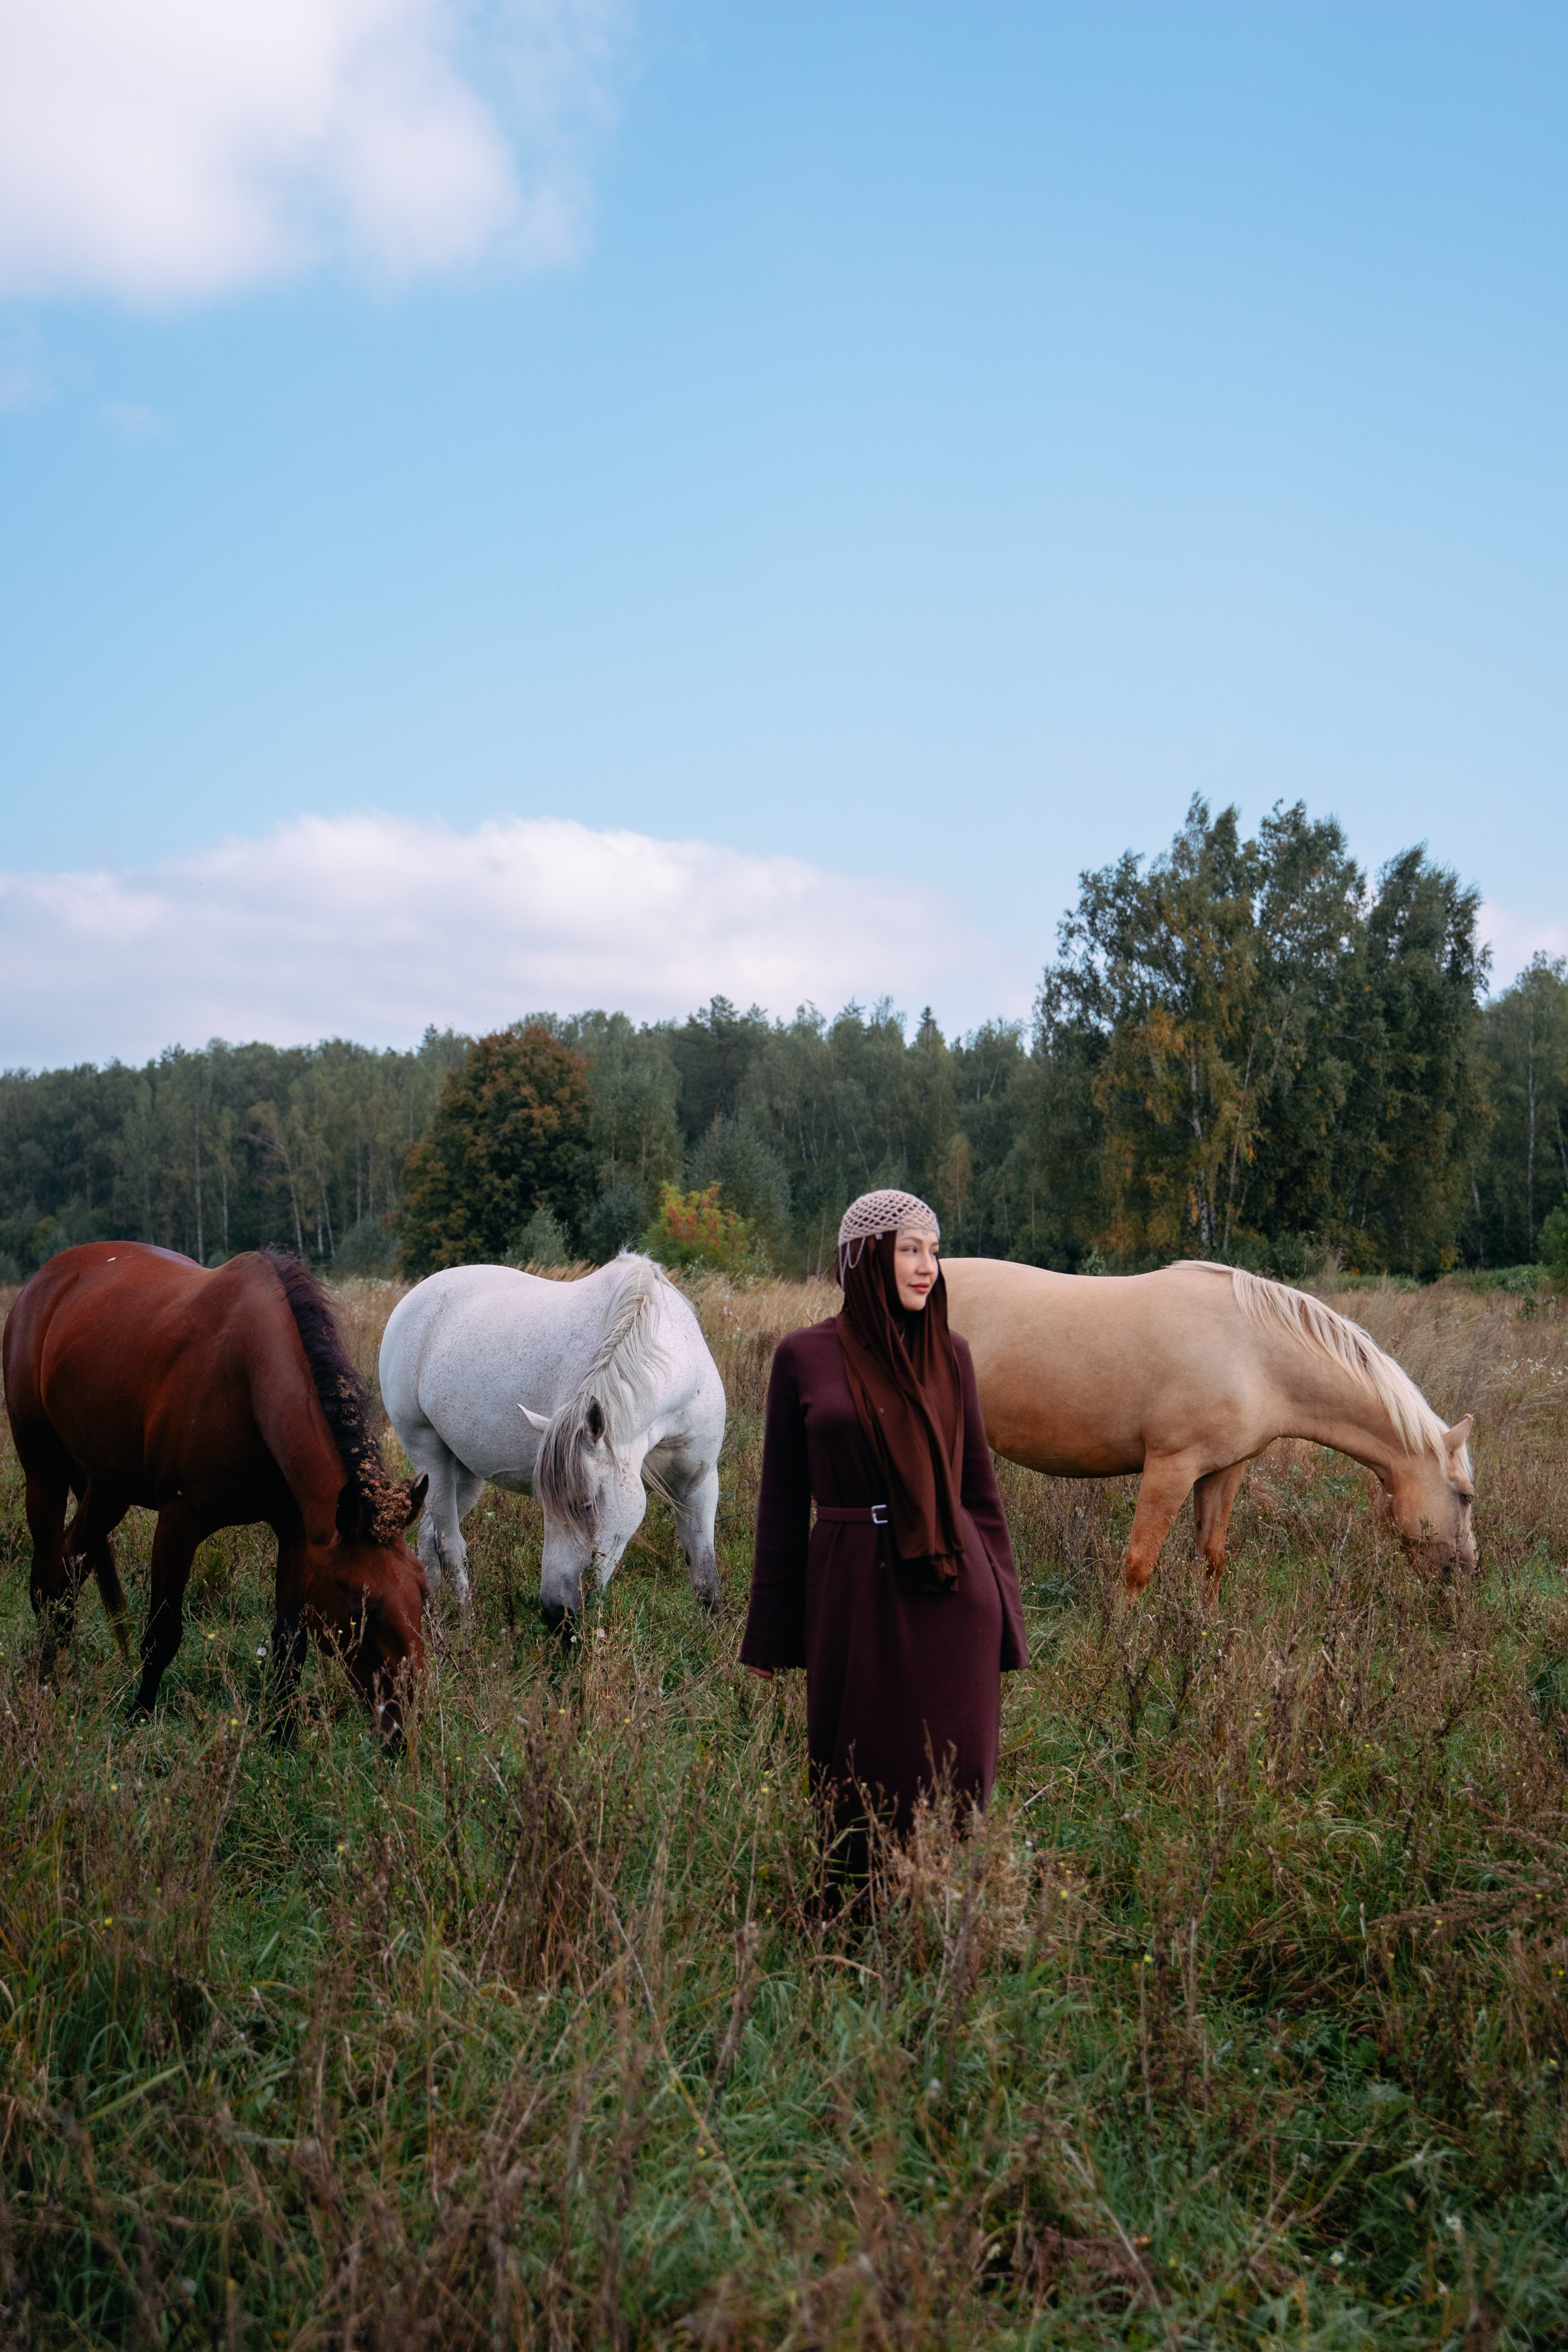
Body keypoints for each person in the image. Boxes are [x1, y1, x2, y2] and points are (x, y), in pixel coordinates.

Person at [740, 1188, 1028, 1869]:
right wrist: (769, 1634)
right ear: (865, 1257)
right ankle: (855, 1909)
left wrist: (1007, 1615)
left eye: (934, 1250)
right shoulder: (802, 1357)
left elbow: (978, 1490)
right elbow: (781, 1505)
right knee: (857, 1760)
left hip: (953, 1588)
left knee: (957, 1769)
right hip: (853, 1581)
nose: (927, 1266)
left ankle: (946, 1904)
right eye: (909, 1249)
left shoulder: (950, 1353)